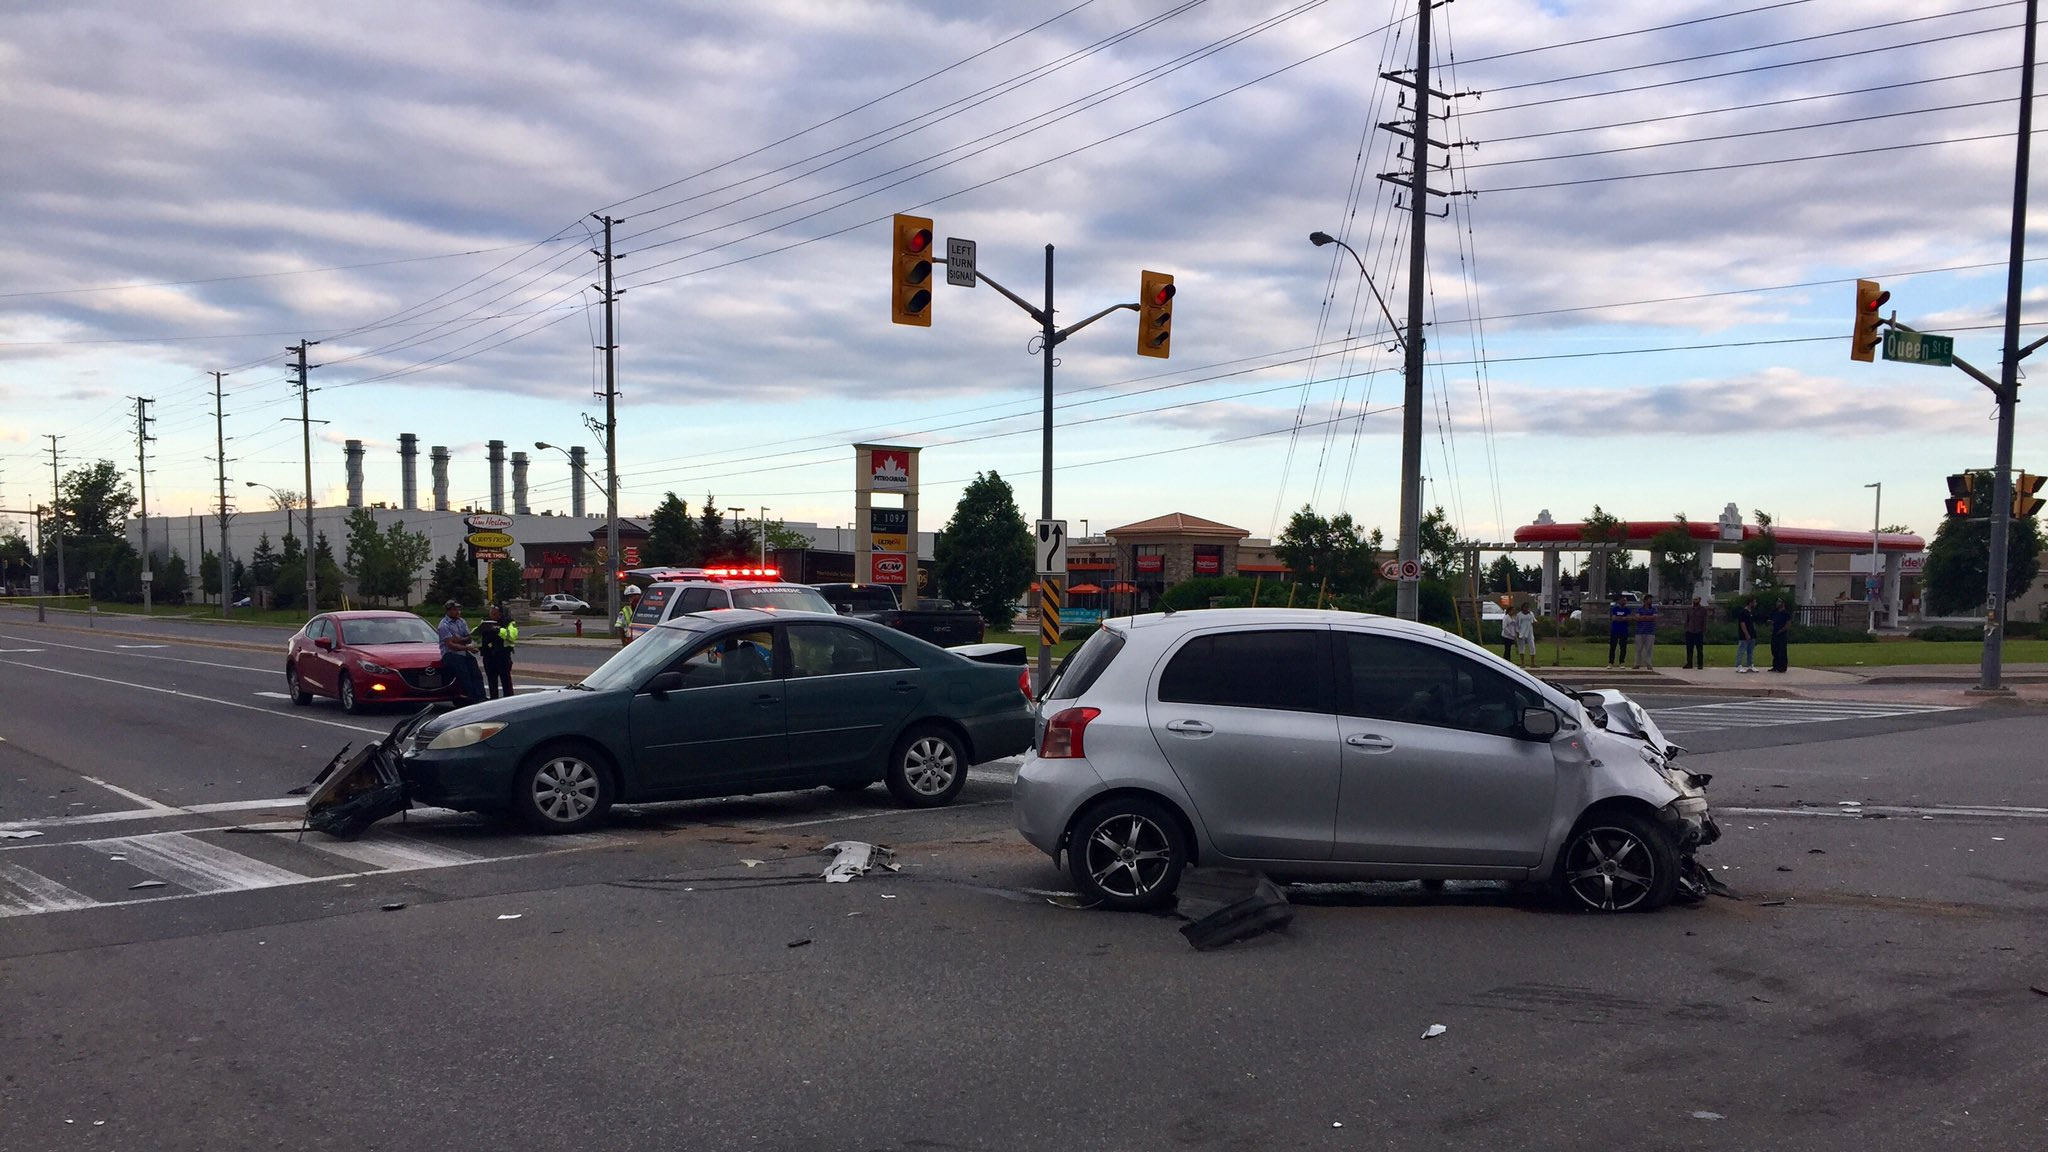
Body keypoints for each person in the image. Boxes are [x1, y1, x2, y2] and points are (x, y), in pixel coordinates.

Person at [436, 599, 485, 703]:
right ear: (448, 611)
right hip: (450, 655)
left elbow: (468, 638)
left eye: (459, 609)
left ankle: (481, 697)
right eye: (455, 610)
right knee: (464, 674)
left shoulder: (461, 621)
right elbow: (450, 645)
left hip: (463, 652)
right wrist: (465, 645)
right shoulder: (443, 625)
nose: (458, 612)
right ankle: (472, 698)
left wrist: (458, 639)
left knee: (476, 672)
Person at [477, 604, 518, 699]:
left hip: (502, 656)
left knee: (506, 681)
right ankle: (493, 702)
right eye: (491, 613)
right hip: (488, 656)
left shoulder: (508, 622)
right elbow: (477, 635)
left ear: (500, 614)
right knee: (492, 682)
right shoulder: (485, 622)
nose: (492, 615)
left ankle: (509, 701)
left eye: (495, 613)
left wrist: (498, 630)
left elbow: (512, 636)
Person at [1683, 596, 1710, 670]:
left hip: (1698, 631)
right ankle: (1689, 663)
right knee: (1689, 649)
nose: (1695, 601)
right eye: (1694, 599)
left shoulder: (1703, 610)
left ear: (1699, 600)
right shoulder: (1689, 610)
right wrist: (1686, 628)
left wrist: (1703, 629)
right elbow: (1687, 619)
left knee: (1699, 649)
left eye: (1696, 599)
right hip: (1690, 631)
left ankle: (1700, 664)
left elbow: (1705, 621)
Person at [1633, 597, 1659, 670]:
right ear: (1644, 601)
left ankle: (1648, 663)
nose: (1650, 601)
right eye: (1649, 600)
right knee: (1638, 649)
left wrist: (1644, 617)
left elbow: (1654, 617)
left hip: (1650, 631)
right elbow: (1637, 617)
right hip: (1640, 631)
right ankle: (1637, 663)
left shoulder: (1654, 609)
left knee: (1649, 649)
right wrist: (1647, 617)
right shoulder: (1639, 609)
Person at [1734, 597, 1758, 673]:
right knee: (1741, 650)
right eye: (1754, 602)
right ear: (1750, 603)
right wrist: (1746, 634)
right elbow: (1742, 624)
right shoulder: (1743, 612)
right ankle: (1738, 665)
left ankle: (1750, 665)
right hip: (1744, 635)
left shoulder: (1750, 612)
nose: (1755, 604)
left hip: (1752, 634)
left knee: (1750, 651)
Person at [1606, 593, 1631, 668]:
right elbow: (1613, 618)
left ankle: (1622, 662)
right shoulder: (1615, 609)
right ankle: (1611, 662)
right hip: (1615, 630)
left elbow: (1628, 618)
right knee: (1612, 647)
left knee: (1623, 647)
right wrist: (1623, 618)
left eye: (1625, 600)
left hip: (1624, 631)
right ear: (1619, 600)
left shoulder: (1627, 610)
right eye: (1623, 600)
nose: (1624, 602)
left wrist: (1620, 618)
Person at [1770, 598, 1793, 673]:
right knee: (1774, 650)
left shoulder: (1786, 613)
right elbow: (1775, 621)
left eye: (1779, 602)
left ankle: (1782, 667)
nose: (1777, 603)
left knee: (1782, 650)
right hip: (1775, 633)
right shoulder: (1776, 612)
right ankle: (1775, 666)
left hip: (1782, 634)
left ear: (1783, 603)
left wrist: (1782, 630)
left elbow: (1788, 624)